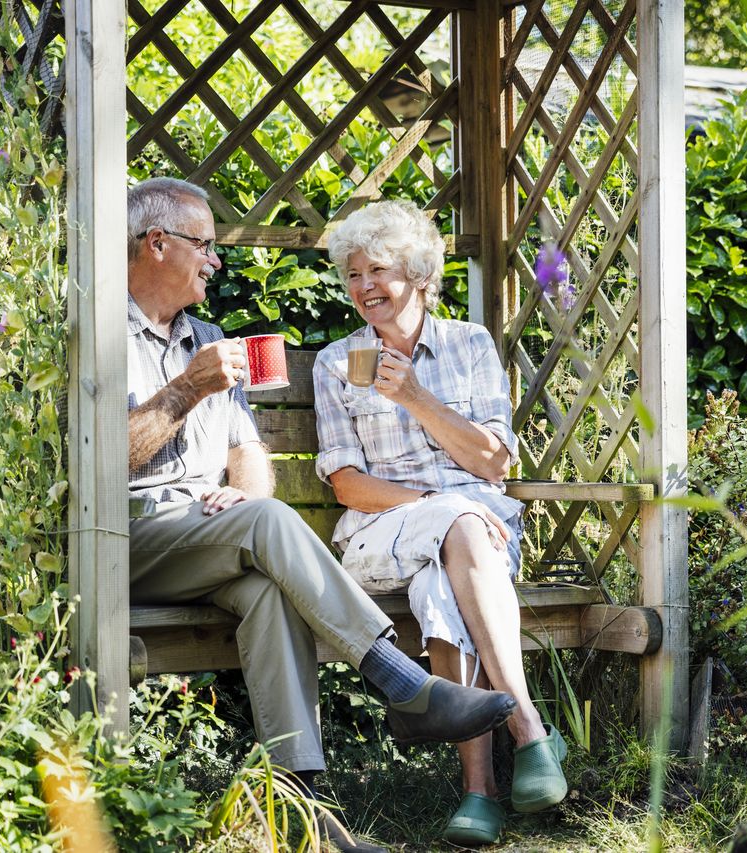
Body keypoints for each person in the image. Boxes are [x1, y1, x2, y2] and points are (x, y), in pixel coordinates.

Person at [124, 178, 517, 853]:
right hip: (127, 534)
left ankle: (311, 824)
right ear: (158, 244)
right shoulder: (100, 334)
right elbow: (106, 461)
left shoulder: (209, 335)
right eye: (206, 247)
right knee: (270, 524)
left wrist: (246, 491)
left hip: (209, 536)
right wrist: (188, 386)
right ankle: (400, 679)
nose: (216, 262)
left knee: (269, 586)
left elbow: (249, 452)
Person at [313, 201, 569, 846]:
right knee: (459, 520)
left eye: (378, 270)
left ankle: (478, 794)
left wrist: (417, 399)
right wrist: (440, 502)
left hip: (477, 538)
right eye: (352, 275)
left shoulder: (469, 345)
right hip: (382, 531)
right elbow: (348, 484)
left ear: (420, 275)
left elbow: (492, 459)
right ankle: (530, 732)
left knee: (442, 588)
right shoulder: (335, 363)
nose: (364, 286)